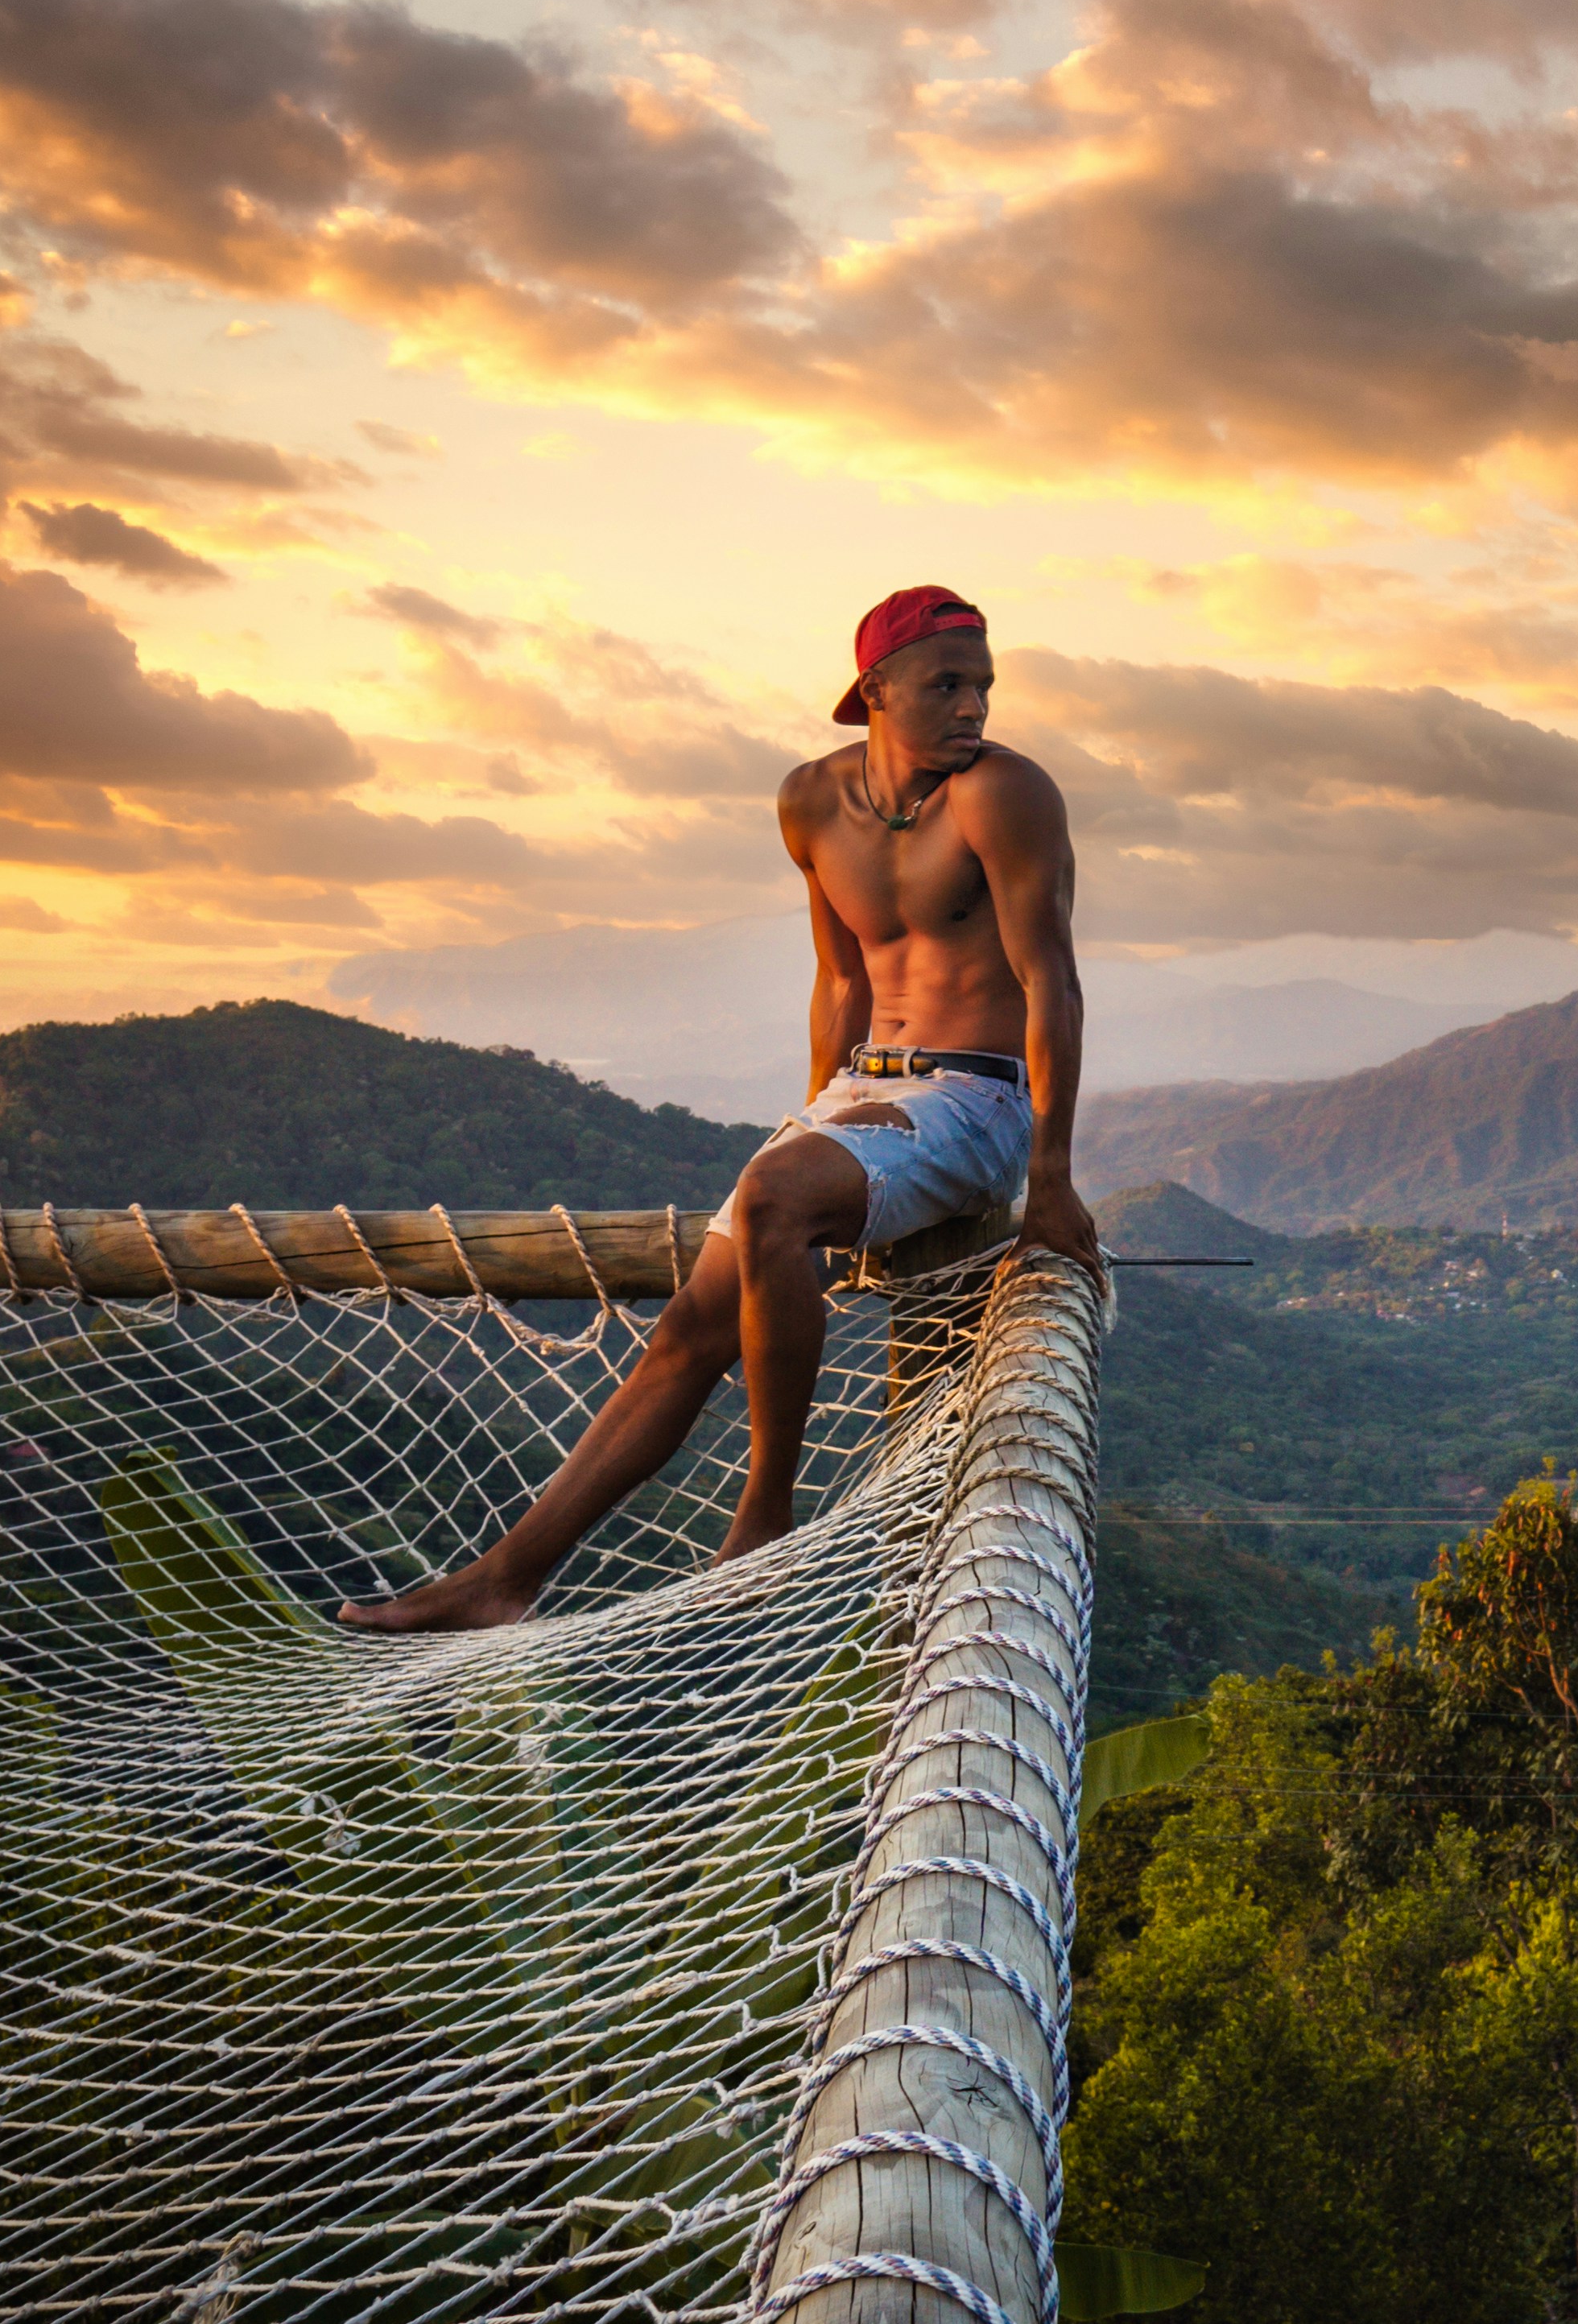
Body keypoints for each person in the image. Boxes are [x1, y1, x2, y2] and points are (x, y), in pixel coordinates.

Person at [342, 584, 1100, 1633]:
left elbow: (1050, 977)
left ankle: (765, 1511)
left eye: (984, 685)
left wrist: (1052, 1178)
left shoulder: (1004, 793)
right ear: (875, 690)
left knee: (775, 1203)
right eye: (947, 683)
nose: (975, 706)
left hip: (977, 1096)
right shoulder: (810, 803)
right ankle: (507, 1576)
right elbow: (840, 980)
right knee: (697, 1319)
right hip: (863, 1094)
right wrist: (820, 1132)